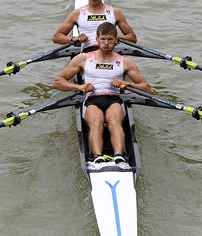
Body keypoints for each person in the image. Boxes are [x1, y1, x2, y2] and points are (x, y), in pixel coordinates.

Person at [53, 22, 151, 170]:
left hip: (114, 99)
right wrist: (79, 87)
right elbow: (58, 82)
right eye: (103, 39)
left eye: (110, 39)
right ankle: (97, 159)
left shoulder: (125, 62)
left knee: (113, 120)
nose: (106, 43)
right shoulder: (83, 59)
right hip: (92, 99)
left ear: (116, 40)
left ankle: (119, 157)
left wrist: (127, 84)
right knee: (97, 121)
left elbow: (147, 88)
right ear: (97, 39)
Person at [52, 0, 137, 52]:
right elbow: (56, 37)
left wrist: (116, 38)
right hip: (88, 53)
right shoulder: (76, 14)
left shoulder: (115, 12)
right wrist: (74, 39)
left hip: (109, 52)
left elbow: (132, 38)